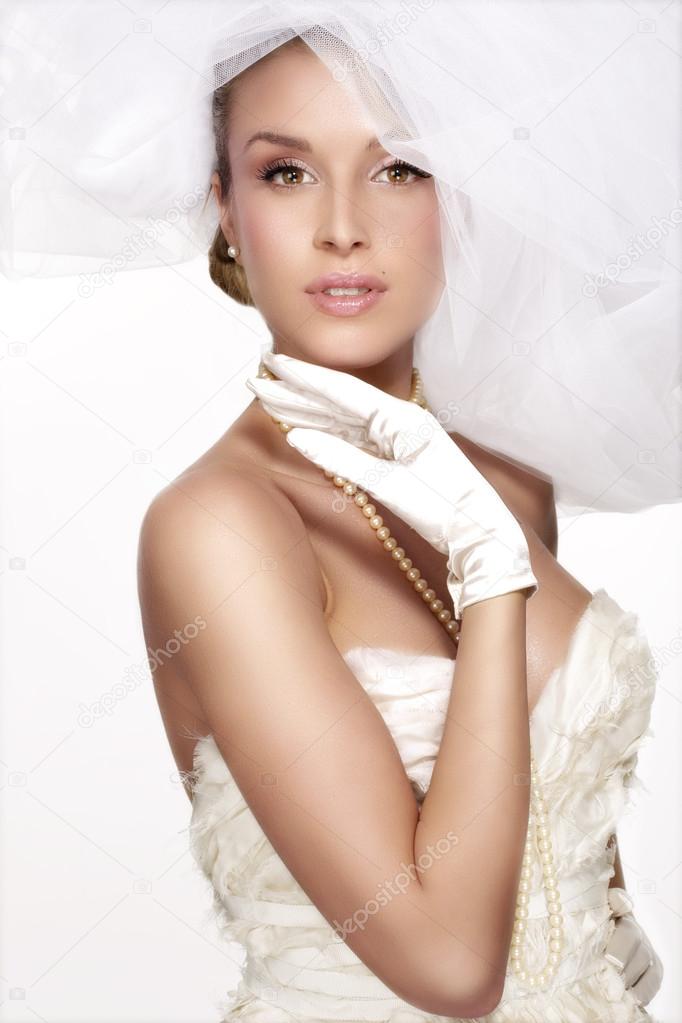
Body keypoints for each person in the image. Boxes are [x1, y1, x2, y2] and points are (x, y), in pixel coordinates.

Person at [136, 32, 664, 1022]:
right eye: (285, 172)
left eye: (398, 168)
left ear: (461, 196)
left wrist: (607, 939)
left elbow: (558, 823)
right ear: (227, 209)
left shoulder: (499, 485)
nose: (342, 227)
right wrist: (490, 577)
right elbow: (451, 972)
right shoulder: (219, 527)